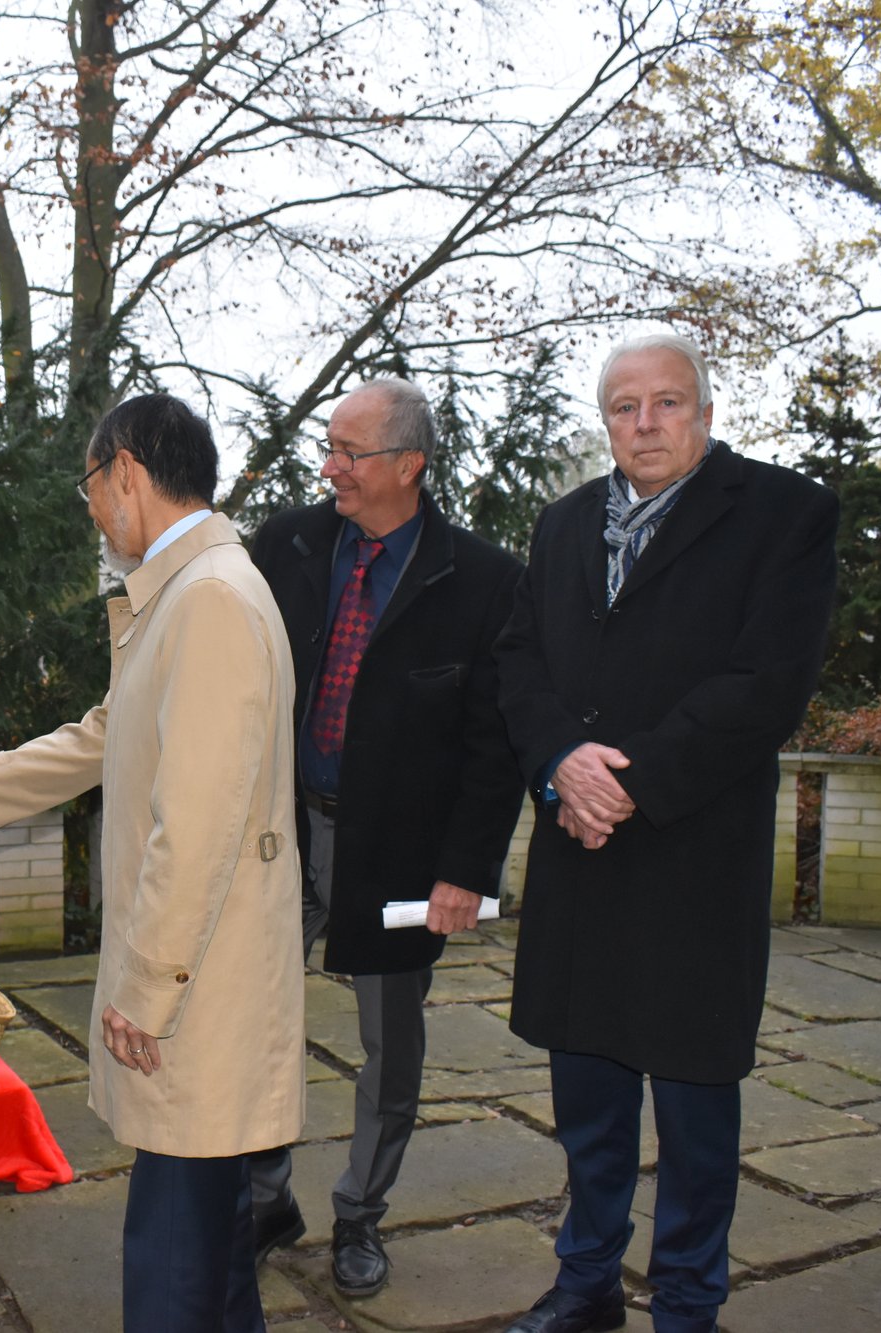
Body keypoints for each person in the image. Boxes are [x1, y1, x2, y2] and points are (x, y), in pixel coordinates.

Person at [0, 394, 304, 1332]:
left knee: (173, 1263)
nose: (90, 507)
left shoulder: (207, 600)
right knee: (212, 1256)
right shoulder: (190, 594)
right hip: (198, 978)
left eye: (90, 485)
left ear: (125, 469)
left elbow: (197, 822)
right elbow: (105, 734)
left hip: (193, 985)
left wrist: (147, 984)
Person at [493, 333, 838, 1333]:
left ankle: (686, 1303)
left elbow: (764, 681)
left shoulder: (783, 514)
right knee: (588, 1107)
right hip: (580, 857)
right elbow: (518, 664)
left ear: (704, 409)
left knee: (692, 1113)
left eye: (665, 403)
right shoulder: (558, 526)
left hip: (690, 855)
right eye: (622, 407)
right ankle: (585, 1283)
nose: (643, 424)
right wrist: (560, 761)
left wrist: (626, 784)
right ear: (602, 419)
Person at [245, 379, 526, 1296]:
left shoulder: (482, 580)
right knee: (250, 1021)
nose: (330, 468)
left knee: (389, 1046)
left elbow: (495, 746)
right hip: (281, 837)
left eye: (350, 454)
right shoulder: (286, 543)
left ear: (409, 465)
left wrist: (464, 873)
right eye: (328, 448)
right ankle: (262, 1195)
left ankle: (360, 1215)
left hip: (398, 859)